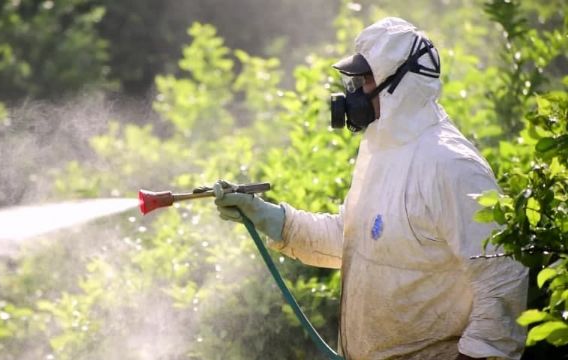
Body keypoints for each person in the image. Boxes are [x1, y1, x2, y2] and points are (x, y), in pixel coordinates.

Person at [213, 17, 528, 360]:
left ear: (400, 84)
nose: (354, 92)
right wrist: (268, 217)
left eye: (365, 79)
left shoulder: (452, 165)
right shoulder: (382, 150)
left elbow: (502, 281)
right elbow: (355, 240)